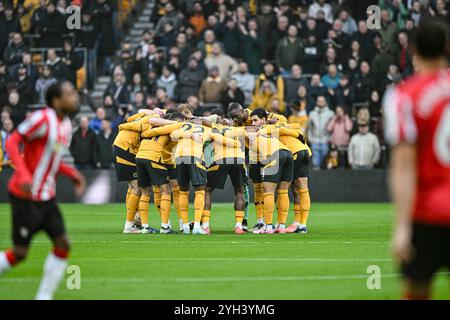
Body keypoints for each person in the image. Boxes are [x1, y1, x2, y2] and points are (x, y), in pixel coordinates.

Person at [0, 81, 86, 300]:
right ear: (56, 100)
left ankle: (44, 297)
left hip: (46, 196)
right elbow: (12, 142)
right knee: (20, 253)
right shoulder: (42, 118)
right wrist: (24, 174)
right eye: (69, 94)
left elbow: (52, 158)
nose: (74, 97)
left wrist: (72, 174)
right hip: (25, 195)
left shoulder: (66, 124)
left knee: (63, 243)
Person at [384, 18, 450, 300]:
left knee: (418, 290)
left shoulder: (403, 96)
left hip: (427, 214)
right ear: (446, 47)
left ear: (413, 50)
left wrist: (401, 228)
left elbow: (403, 166)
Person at [308, 96, 335, 168]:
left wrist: (330, 139)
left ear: (325, 102)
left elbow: (333, 128)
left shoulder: (330, 113)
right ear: (316, 102)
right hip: (315, 141)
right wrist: (311, 139)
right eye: (319, 101)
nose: (320, 102)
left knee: (325, 163)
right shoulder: (312, 113)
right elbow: (309, 128)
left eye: (322, 101)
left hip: (325, 141)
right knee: (315, 164)